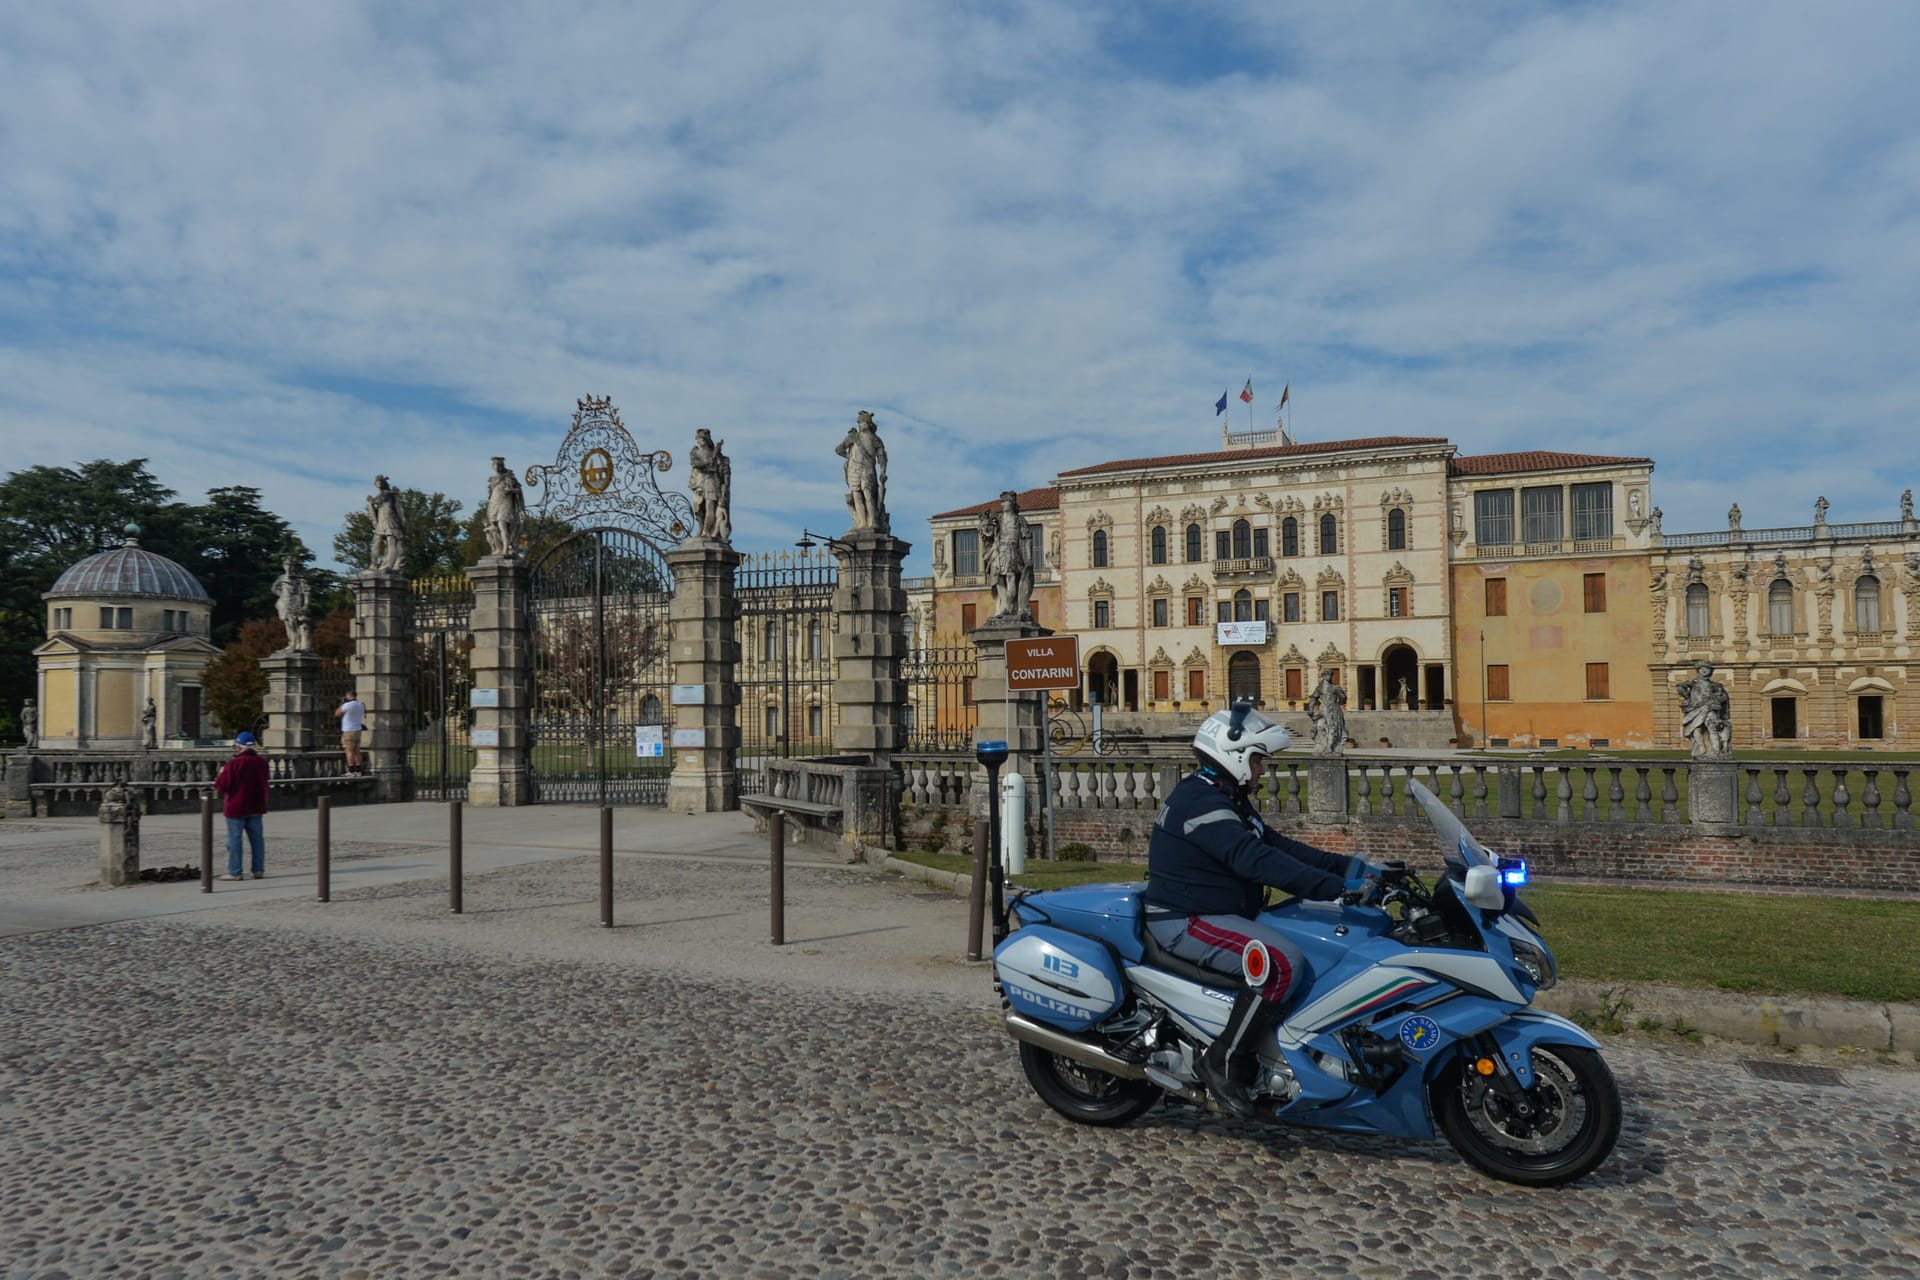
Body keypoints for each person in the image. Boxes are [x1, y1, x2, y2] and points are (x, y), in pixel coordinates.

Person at [1144, 702, 1382, 1118]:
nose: (1261, 771)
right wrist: (1337, 888)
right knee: (1280, 962)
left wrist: (1352, 868)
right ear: (1233, 756)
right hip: (1187, 919)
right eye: (1257, 761)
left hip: (1219, 911)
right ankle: (1223, 1059)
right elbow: (1255, 861)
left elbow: (1277, 846)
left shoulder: (1221, 794)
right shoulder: (1200, 802)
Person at [214, 731, 270, 880]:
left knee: (234, 840)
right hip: (256, 805)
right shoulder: (262, 762)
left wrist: (220, 774)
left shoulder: (234, 763)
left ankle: (235, 872)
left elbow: (222, 786)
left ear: (238, 747)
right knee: (257, 840)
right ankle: (258, 870)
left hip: (236, 806)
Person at [335, 691, 367, 774]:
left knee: (349, 750)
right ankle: (358, 769)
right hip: (357, 729)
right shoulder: (361, 704)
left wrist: (342, 704)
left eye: (346, 696)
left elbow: (337, 714)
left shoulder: (347, 705)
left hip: (348, 730)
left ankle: (351, 770)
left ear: (349, 695)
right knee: (357, 750)